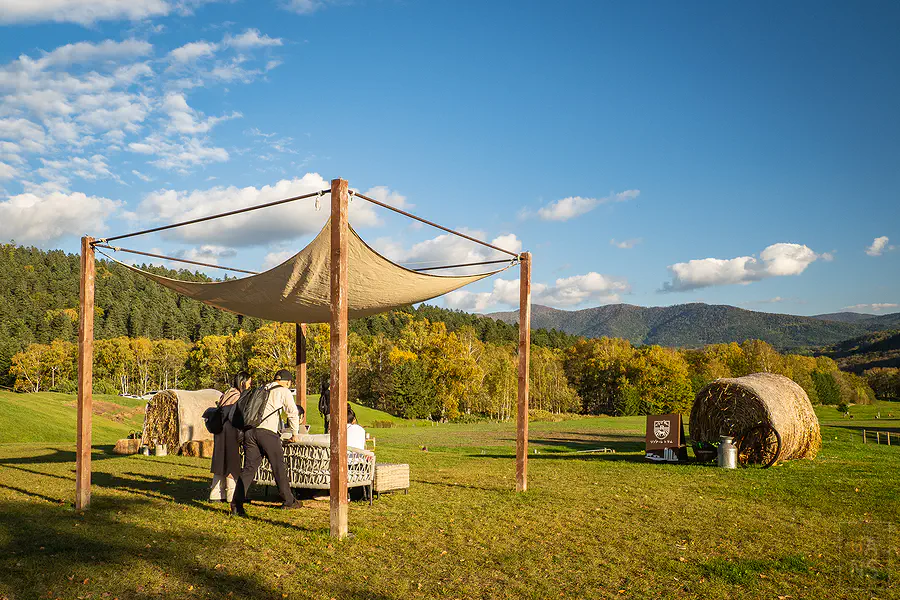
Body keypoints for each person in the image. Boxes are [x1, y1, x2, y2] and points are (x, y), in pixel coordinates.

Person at [230, 369, 304, 516]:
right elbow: (293, 412)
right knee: (279, 467)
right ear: (287, 382)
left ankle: (236, 504)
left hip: (250, 432)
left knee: (249, 469)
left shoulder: (263, 388)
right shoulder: (283, 391)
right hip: (267, 433)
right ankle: (289, 501)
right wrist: (295, 433)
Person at [209, 371, 250, 502]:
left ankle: (216, 494)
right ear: (243, 382)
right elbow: (236, 416)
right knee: (232, 462)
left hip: (220, 431)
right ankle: (232, 495)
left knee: (220, 461)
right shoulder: (237, 396)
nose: (250, 385)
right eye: (249, 382)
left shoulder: (227, 393)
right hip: (230, 431)